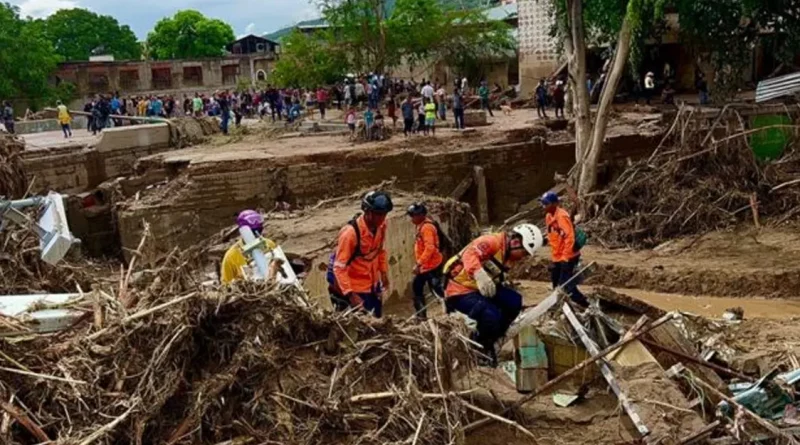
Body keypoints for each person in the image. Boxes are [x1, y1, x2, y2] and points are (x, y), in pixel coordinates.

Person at [443, 224, 544, 366]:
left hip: (479, 288)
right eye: (525, 253)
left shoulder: (508, 256)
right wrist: (479, 274)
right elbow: (470, 254)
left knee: (514, 301)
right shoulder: (492, 242)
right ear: (516, 243)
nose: (524, 257)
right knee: (490, 314)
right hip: (459, 290)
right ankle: (479, 347)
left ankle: (493, 338)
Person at [328, 191, 393, 317]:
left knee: (377, 320)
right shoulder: (350, 234)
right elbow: (339, 267)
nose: (382, 218)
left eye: (384, 215)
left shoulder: (381, 227)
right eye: (378, 214)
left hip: (372, 285)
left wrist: (383, 273)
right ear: (367, 212)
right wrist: (351, 295)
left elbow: (380, 251)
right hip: (354, 288)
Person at [540, 191, 588, 307]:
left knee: (566, 285)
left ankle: (585, 304)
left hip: (568, 256)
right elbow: (552, 235)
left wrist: (566, 258)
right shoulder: (548, 217)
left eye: (546, 204)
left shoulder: (562, 216)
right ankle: (560, 305)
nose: (544, 206)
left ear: (555, 204)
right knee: (556, 283)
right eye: (543, 204)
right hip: (557, 256)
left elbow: (569, 237)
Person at [407, 203, 444, 319]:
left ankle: (452, 309)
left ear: (421, 215)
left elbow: (430, 248)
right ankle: (421, 316)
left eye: (413, 216)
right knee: (417, 287)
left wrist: (419, 263)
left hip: (431, 266)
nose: (412, 219)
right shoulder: (420, 226)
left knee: (437, 290)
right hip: (426, 266)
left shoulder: (427, 228)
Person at [220, 210, 278, 284]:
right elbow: (226, 283)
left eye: (259, 231)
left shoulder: (269, 244)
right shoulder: (231, 255)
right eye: (253, 232)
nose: (256, 235)